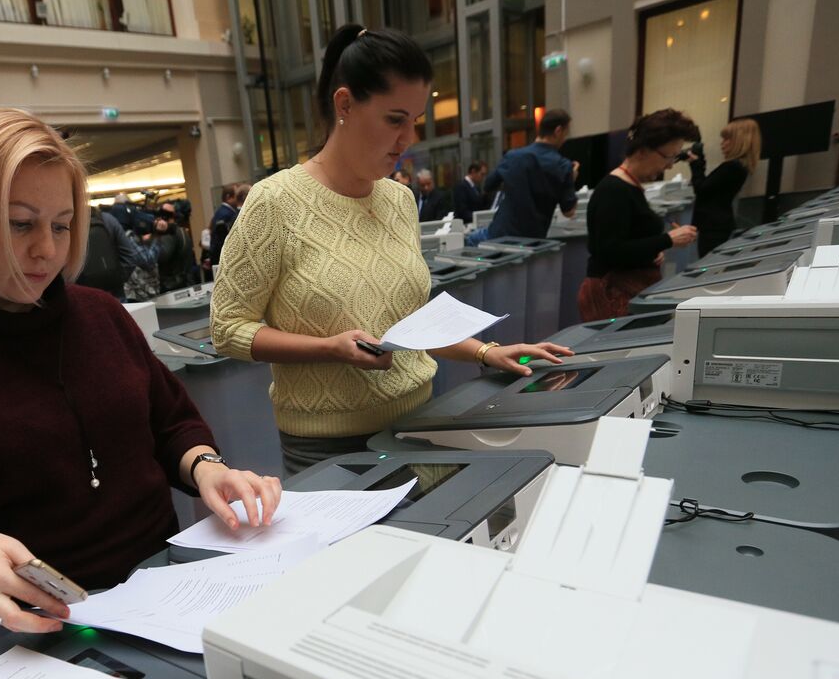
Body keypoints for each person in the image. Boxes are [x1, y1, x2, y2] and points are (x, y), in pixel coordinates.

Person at [0, 107, 280, 634]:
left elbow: (169, 423)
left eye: (62, 225)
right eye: (20, 224)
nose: (47, 250)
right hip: (46, 627)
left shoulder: (101, 315)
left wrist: (207, 467)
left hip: (170, 591)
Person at [210, 24, 572, 477]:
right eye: (395, 119)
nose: (409, 140)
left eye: (415, 121)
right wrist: (328, 349)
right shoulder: (274, 203)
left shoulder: (399, 200)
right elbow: (227, 329)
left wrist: (485, 352)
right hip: (329, 449)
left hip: (421, 425)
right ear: (345, 104)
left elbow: (407, 324)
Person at [578, 108, 701, 322]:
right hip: (613, 294)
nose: (670, 165)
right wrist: (667, 240)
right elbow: (610, 251)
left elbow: (627, 242)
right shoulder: (614, 190)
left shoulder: (630, 186)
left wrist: (651, 250)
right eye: (668, 156)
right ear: (642, 151)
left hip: (627, 288)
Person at [472, 109, 578, 242]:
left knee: (468, 240)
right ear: (558, 131)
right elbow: (569, 212)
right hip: (533, 241)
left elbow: (488, 185)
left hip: (500, 235)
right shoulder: (563, 166)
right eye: (565, 134)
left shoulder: (513, 156)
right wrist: (571, 179)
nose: (564, 140)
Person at [689, 118, 761, 256]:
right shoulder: (739, 167)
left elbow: (701, 188)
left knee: (708, 265)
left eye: (727, 139)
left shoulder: (731, 167)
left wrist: (695, 164)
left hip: (714, 227)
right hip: (719, 224)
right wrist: (699, 162)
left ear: (738, 141)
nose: (722, 144)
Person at [154, 202, 193, 292]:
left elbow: (162, 257)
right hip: (185, 283)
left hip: (173, 287)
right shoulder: (182, 231)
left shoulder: (169, 234)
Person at [208, 183, 250, 265]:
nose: (237, 197)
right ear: (228, 197)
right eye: (235, 195)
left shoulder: (224, 212)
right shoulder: (226, 214)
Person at [452, 160, 489, 225]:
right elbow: (462, 211)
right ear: (473, 172)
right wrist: (478, 218)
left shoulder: (476, 188)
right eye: (482, 174)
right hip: (465, 224)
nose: (483, 178)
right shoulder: (461, 187)